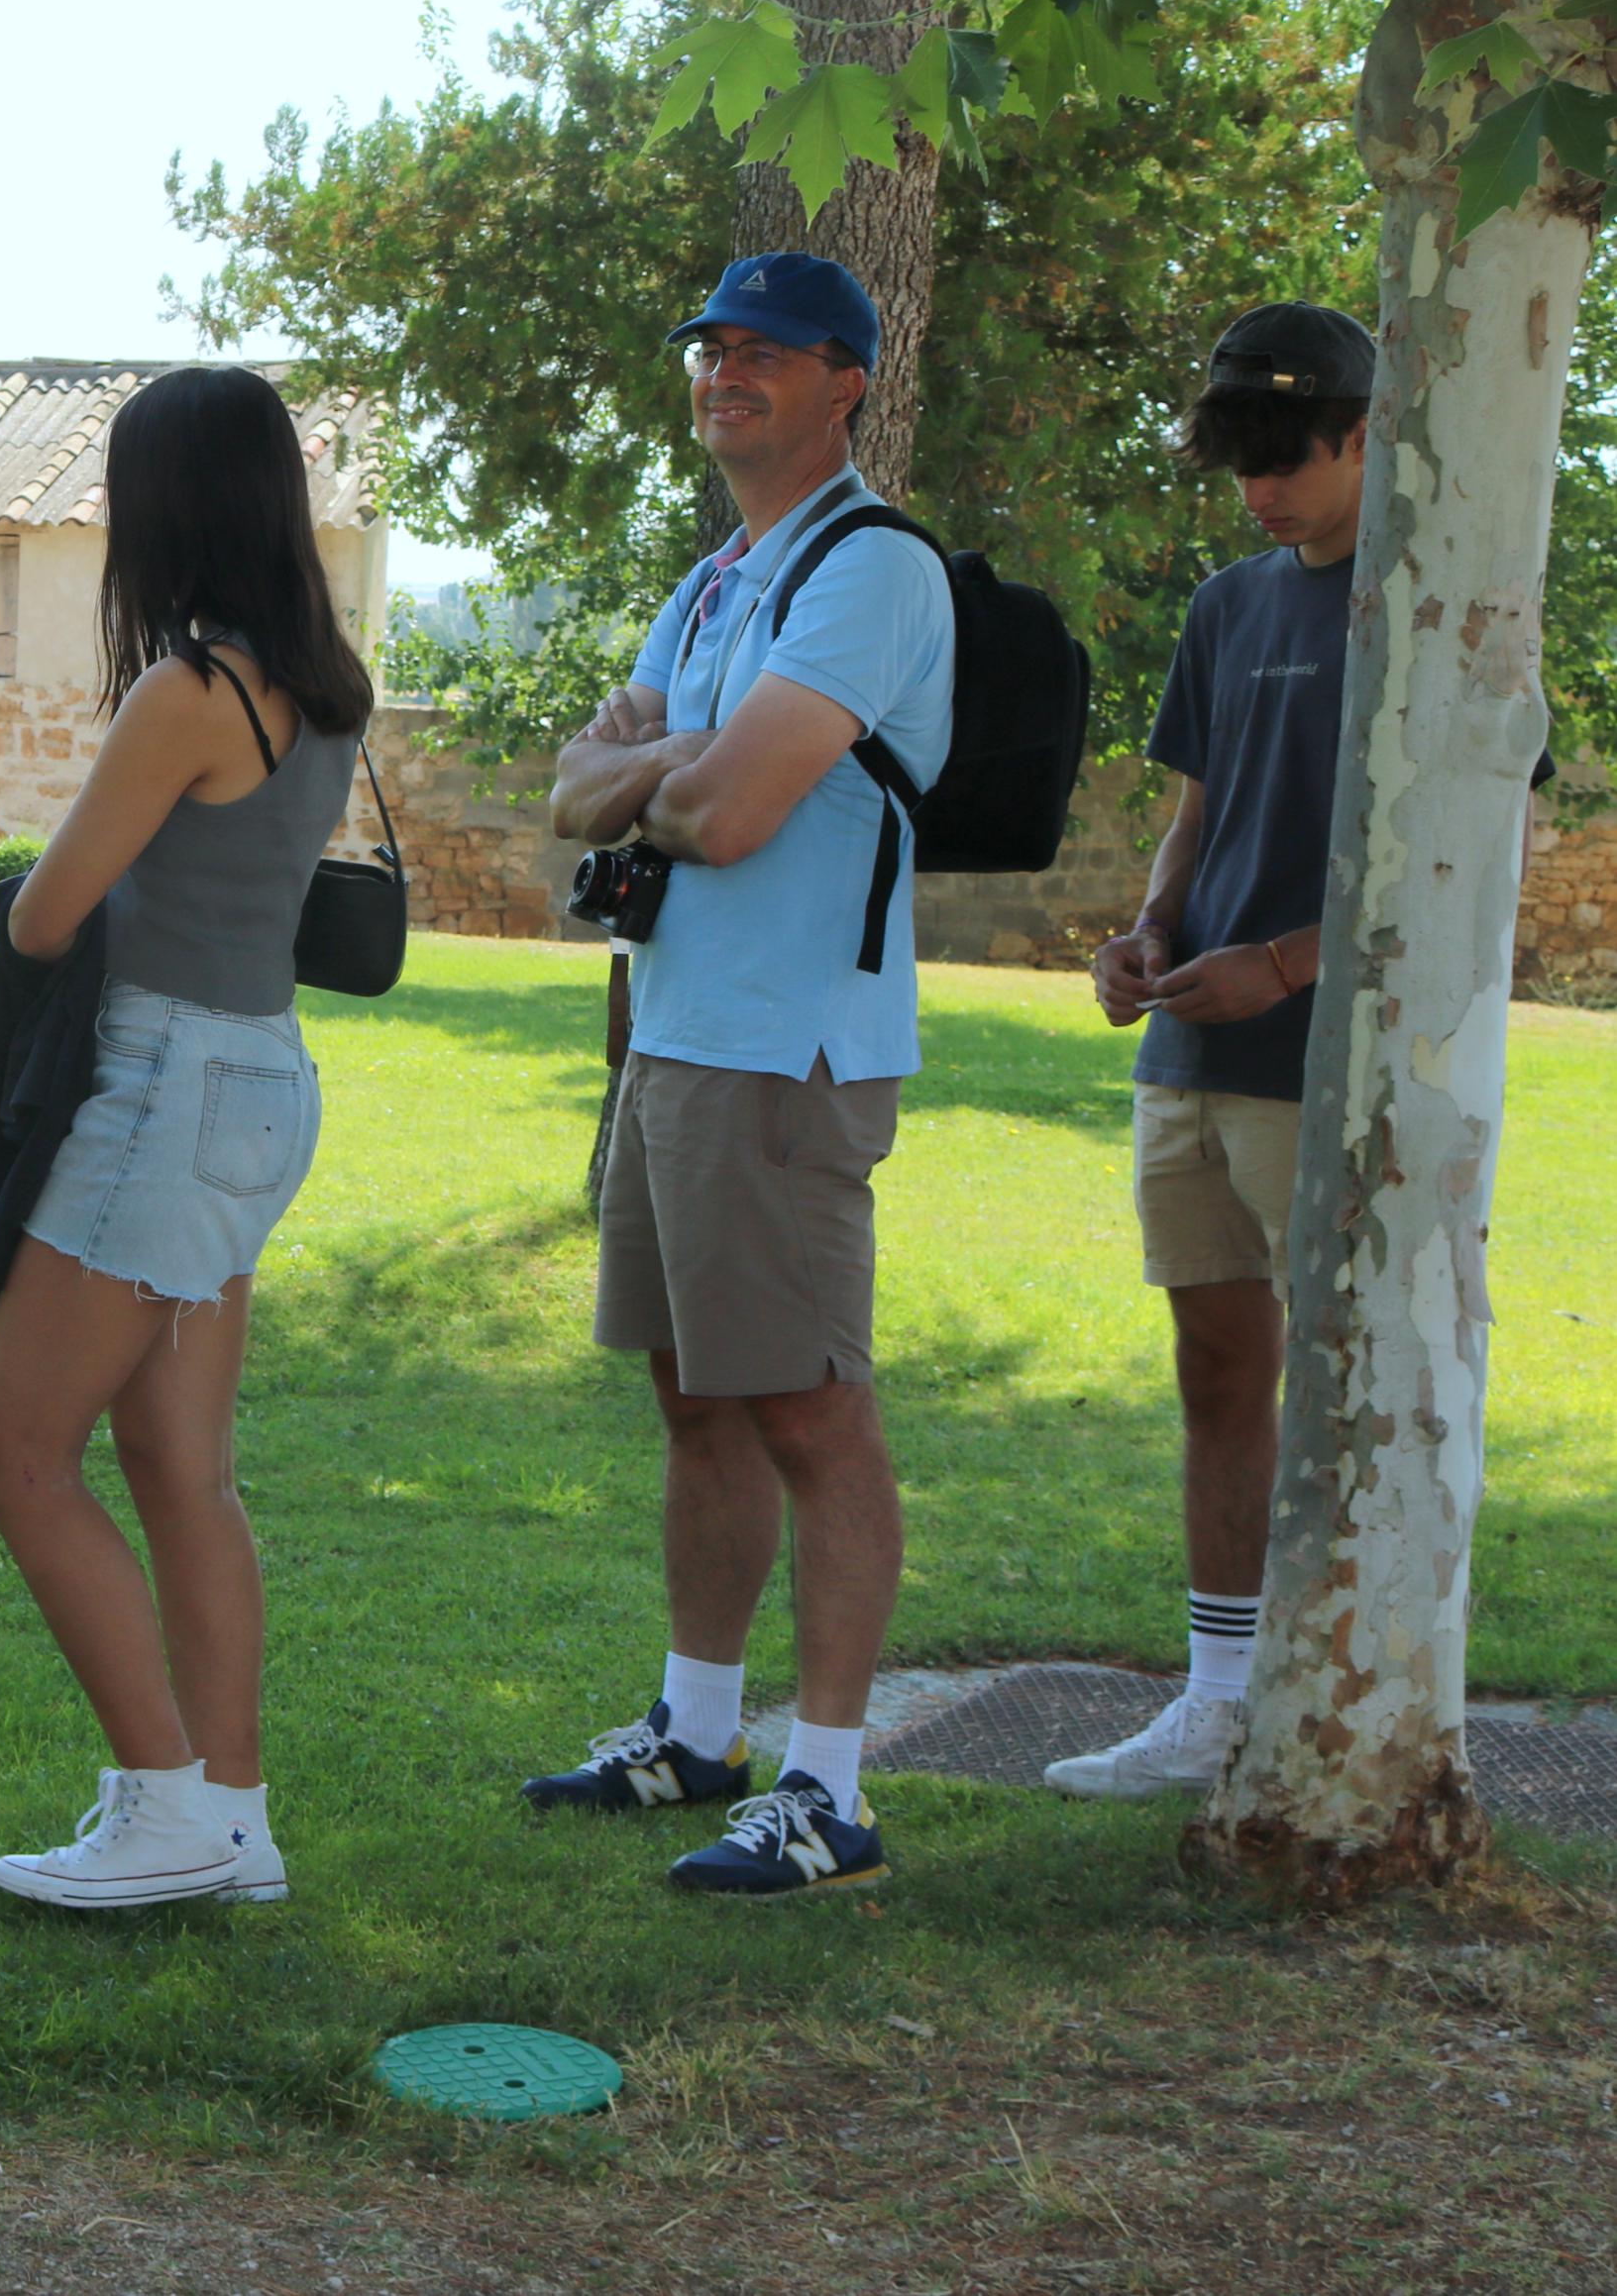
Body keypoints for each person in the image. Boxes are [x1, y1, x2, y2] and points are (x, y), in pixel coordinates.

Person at [534, 251, 954, 1896]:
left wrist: (643, 770)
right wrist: (656, 768)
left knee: (807, 1406)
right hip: (673, 1036)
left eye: (769, 352)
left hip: (787, 1050)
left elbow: (724, 812)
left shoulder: (872, 572)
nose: (728, 372)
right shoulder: (716, 580)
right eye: (712, 347)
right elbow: (581, 789)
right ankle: (696, 1732)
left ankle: (831, 1787)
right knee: (691, 1395)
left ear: (848, 379)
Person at [0, 365, 365, 1912]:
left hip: (165, 1083)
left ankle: (166, 1801)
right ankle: (234, 1820)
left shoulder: (188, 688)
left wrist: (20, 892)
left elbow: (53, 909)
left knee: (17, 1455)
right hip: (265, 1075)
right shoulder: (327, 684)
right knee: (183, 1470)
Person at [1053, 304, 1372, 1800]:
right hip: (1189, 1057)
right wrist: (1147, 933)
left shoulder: (1433, 601)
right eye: (1241, 460)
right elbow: (1193, 812)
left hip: (1331, 1063)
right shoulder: (1231, 603)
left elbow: (1475, 846)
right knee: (1216, 1370)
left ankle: (1346, 1694)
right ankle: (1219, 1700)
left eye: (1289, 456)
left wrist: (1288, 966)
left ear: (1369, 434)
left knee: (1345, 1382)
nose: (1264, 489)